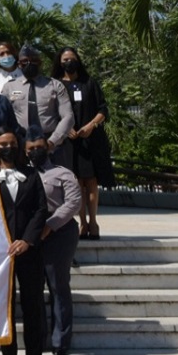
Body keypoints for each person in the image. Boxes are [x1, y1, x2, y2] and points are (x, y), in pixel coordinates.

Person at [0, 130, 48, 355]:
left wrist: (27, 239)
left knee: (33, 306)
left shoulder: (32, 174)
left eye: (12, 143)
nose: (8, 147)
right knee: (6, 310)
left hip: (29, 250)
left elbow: (41, 209)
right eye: (3, 144)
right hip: (1, 253)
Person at [27, 132, 82, 355]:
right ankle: (39, 337)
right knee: (34, 290)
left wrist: (50, 224)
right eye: (30, 148)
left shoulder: (62, 173)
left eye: (38, 147)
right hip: (31, 235)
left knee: (58, 287)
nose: (34, 152)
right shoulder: (22, 174)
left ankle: (61, 340)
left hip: (59, 233)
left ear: (47, 148)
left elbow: (74, 202)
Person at [52, 47, 114, 240]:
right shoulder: (55, 85)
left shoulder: (89, 83)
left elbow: (103, 109)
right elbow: (51, 112)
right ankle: (82, 223)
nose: (69, 62)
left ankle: (93, 221)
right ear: (59, 63)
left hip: (91, 140)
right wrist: (64, 128)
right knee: (75, 183)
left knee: (91, 182)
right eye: (65, 59)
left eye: (72, 59)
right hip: (69, 142)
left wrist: (91, 125)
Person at [2, 45, 74, 170]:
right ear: (19, 64)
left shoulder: (55, 85)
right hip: (22, 144)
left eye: (33, 60)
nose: (29, 64)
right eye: (24, 61)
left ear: (40, 63)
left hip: (52, 145)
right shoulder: (9, 88)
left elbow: (68, 116)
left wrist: (51, 142)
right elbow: (3, 117)